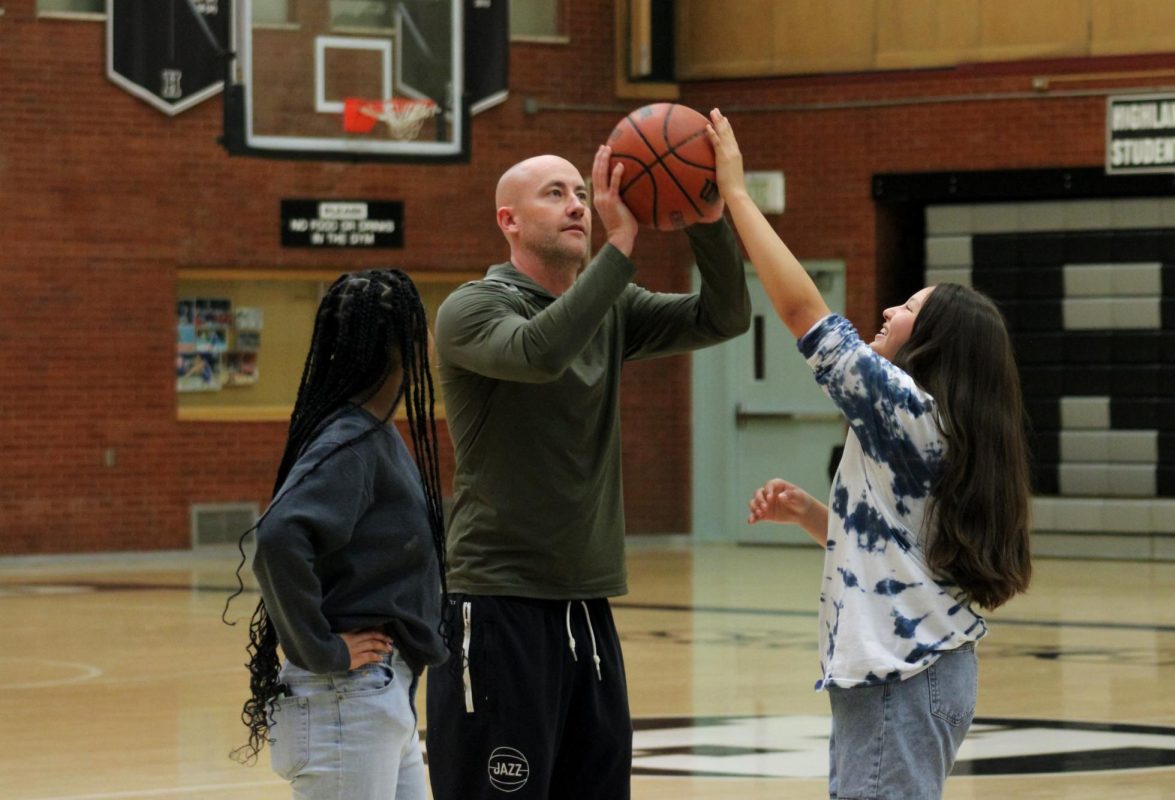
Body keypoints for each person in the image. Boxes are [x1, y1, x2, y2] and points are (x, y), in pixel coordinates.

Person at [706, 109, 1033, 799]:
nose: (888, 311)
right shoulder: (936, 429)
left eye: (908, 306)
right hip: (915, 671)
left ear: (937, 341)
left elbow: (803, 314)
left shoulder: (909, 411)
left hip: (902, 676)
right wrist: (815, 517)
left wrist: (737, 194)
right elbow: (901, 550)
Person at [424, 146, 751, 799]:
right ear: (508, 220)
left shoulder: (611, 304)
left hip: (586, 604)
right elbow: (540, 351)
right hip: (497, 602)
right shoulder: (472, 309)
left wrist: (707, 219)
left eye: (581, 191)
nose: (578, 204)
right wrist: (620, 249)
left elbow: (726, 316)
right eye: (555, 193)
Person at [224, 269, 449, 800]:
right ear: (404, 344)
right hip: (345, 696)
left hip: (379, 693)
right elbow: (279, 539)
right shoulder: (350, 438)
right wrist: (321, 649)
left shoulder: (373, 433)